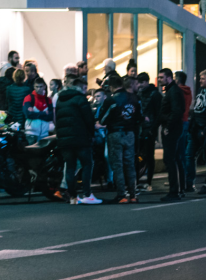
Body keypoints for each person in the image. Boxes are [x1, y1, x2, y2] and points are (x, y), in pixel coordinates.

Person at [54, 78, 101, 205]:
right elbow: (89, 119)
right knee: (87, 164)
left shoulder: (60, 99)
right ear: (79, 87)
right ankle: (87, 194)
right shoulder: (80, 99)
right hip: (80, 138)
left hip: (65, 140)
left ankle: (73, 197)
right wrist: (91, 134)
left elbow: (57, 119)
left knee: (70, 167)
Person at [99, 75, 142, 203]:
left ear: (112, 87)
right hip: (130, 134)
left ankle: (121, 194)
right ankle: (133, 195)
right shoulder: (135, 98)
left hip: (115, 133)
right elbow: (139, 117)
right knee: (130, 164)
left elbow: (102, 119)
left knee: (117, 165)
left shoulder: (111, 100)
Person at [158, 68, 186, 202]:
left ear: (169, 78)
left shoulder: (173, 92)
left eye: (161, 77)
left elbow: (176, 111)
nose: (159, 80)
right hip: (174, 128)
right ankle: (180, 188)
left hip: (172, 130)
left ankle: (174, 191)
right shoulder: (172, 91)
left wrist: (168, 126)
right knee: (176, 159)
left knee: (170, 159)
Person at [137, 72, 162, 192]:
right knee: (138, 155)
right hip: (141, 129)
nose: (139, 85)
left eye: (141, 82)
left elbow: (158, 114)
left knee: (149, 156)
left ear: (146, 82)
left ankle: (149, 181)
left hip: (148, 129)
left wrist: (153, 129)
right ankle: (140, 181)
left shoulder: (155, 95)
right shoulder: (141, 93)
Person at [23, 78, 54, 142]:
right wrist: (44, 113)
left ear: (44, 86)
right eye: (37, 87)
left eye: (41, 86)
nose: (39, 89)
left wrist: (35, 113)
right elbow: (28, 114)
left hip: (44, 133)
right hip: (31, 132)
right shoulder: (28, 98)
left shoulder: (48, 100)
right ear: (34, 86)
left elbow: (50, 116)